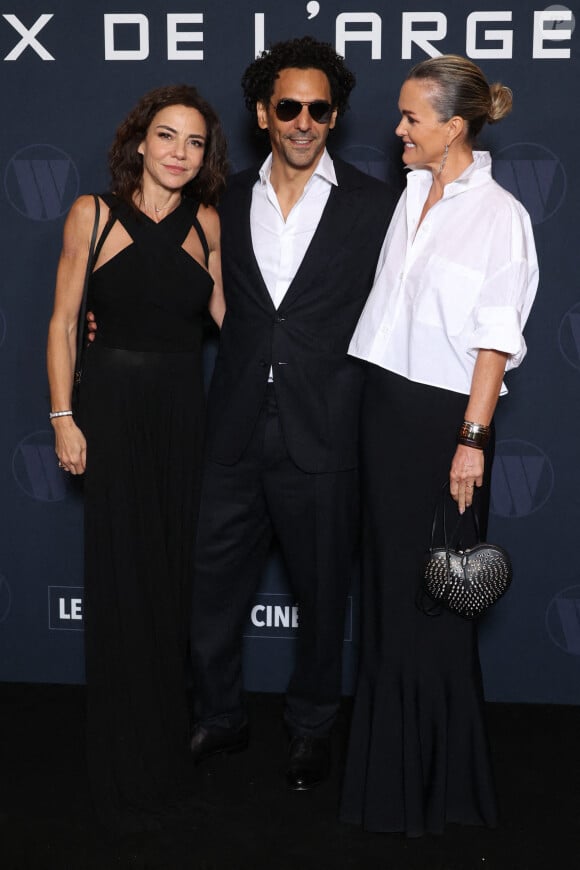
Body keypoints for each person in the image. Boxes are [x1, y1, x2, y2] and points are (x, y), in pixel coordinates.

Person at [189, 36, 398, 791]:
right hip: (235, 427)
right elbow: (193, 293)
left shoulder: (380, 206)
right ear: (262, 113)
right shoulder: (223, 199)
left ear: (334, 116)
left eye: (317, 108)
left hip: (327, 430)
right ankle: (220, 715)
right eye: (288, 107)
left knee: (321, 595)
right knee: (212, 587)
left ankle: (312, 727)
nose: (303, 121)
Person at [339, 56, 538, 836]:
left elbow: (493, 344)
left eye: (411, 119)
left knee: (435, 599)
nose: (397, 131)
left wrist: (471, 443)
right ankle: (384, 785)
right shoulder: (412, 195)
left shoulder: (503, 218)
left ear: (454, 127)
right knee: (390, 598)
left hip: (443, 425)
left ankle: (440, 791)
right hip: (380, 410)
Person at [46, 84, 227, 833]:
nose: (178, 153)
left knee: (169, 577)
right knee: (120, 574)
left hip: (184, 416)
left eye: (193, 142)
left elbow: (235, 321)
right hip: (112, 416)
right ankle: (118, 759)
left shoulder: (210, 222)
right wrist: (64, 417)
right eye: (166, 136)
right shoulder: (91, 215)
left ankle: (163, 749)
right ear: (140, 142)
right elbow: (61, 324)